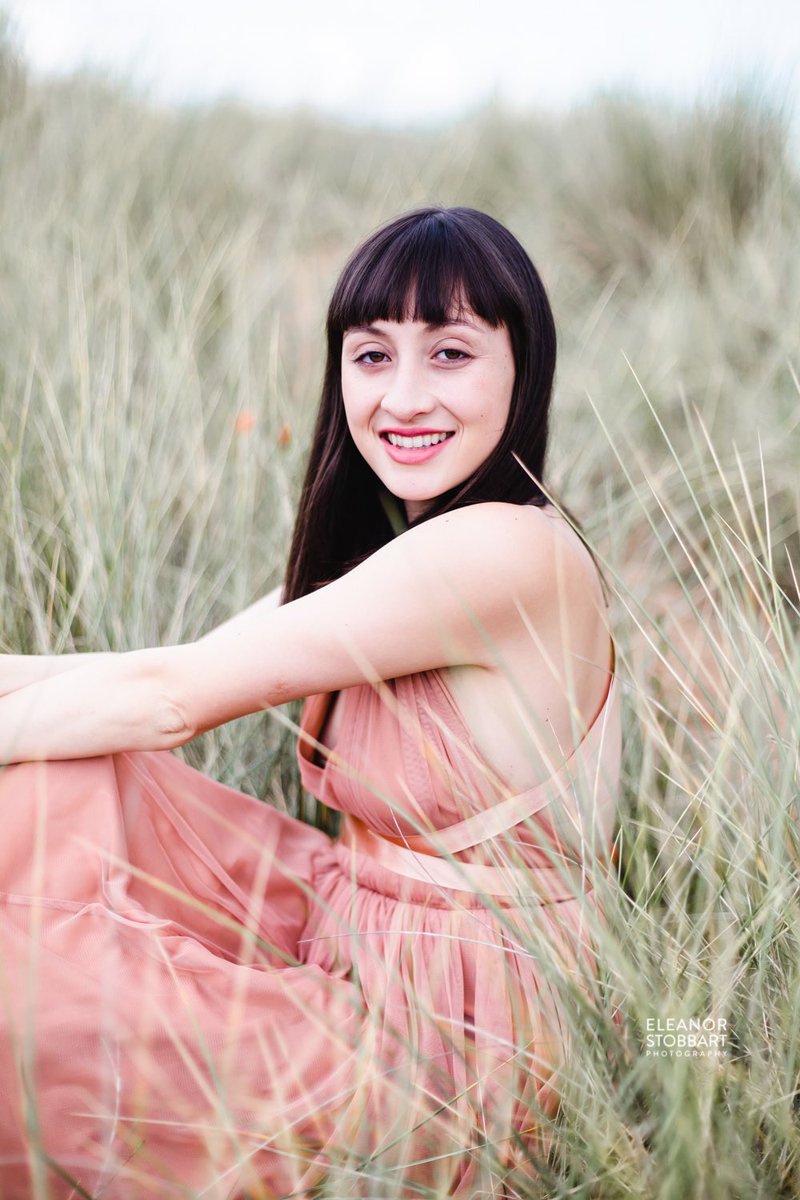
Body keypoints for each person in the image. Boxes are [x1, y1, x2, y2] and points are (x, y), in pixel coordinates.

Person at [0, 206, 620, 1198]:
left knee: (31, 1001)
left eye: (450, 352)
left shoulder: (506, 551)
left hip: (468, 1038)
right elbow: (159, 663)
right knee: (54, 784)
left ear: (522, 368)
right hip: (352, 923)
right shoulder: (392, 552)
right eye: (371, 357)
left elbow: (167, 703)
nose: (403, 396)